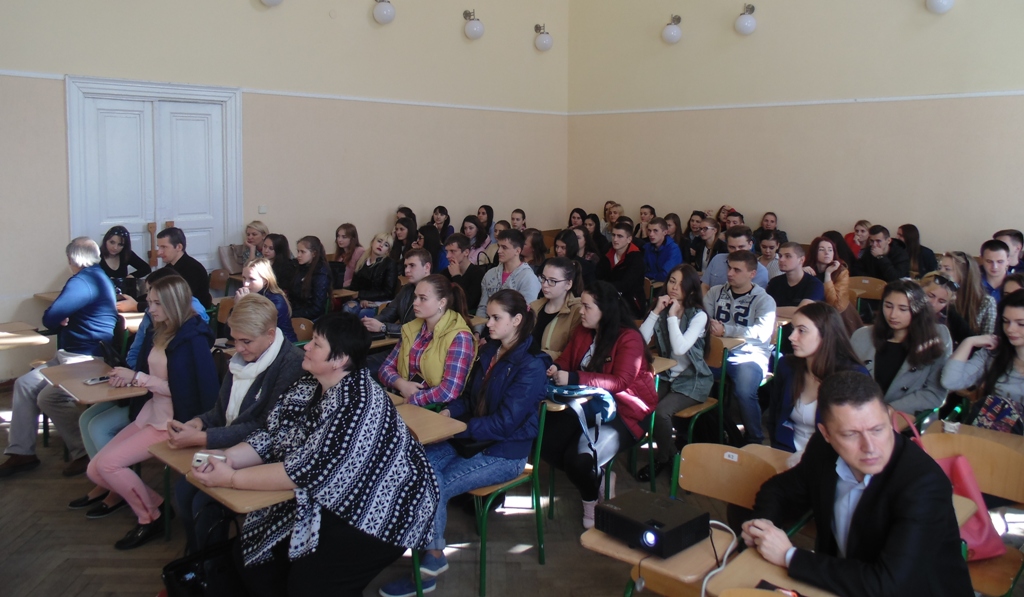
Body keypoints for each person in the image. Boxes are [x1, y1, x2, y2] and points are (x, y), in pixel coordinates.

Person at [191, 312, 439, 596]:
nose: (306, 346)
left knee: (309, 586)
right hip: (334, 495)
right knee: (252, 556)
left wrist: (231, 478)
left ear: (339, 359)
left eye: (317, 344)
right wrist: (228, 458)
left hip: (388, 508)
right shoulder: (310, 384)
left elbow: (303, 471)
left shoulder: (357, 404)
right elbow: (272, 434)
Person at [742, 371, 973, 597]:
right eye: (850, 434)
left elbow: (888, 586)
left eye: (877, 429)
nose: (870, 447)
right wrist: (764, 528)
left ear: (889, 418)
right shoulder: (823, 450)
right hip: (841, 584)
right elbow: (779, 490)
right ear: (826, 434)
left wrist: (788, 556)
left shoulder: (924, 484)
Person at [378, 289, 547, 597]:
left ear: (517, 320)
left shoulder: (530, 365)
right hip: (470, 439)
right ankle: (413, 541)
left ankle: (432, 559)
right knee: (415, 466)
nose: (488, 324)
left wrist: (459, 428)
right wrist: (448, 412)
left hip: (505, 452)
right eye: (489, 317)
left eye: (496, 318)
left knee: (436, 485)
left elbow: (506, 423)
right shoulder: (489, 352)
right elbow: (468, 398)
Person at [68, 266, 212, 517]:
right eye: (150, 302)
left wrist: (138, 378)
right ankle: (156, 505)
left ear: (173, 303)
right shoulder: (161, 330)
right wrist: (129, 378)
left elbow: (184, 392)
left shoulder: (192, 339)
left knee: (108, 466)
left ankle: (150, 517)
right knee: (95, 469)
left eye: (157, 303)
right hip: (151, 413)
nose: (150, 308)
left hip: (170, 422)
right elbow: (148, 372)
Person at [168, 293, 305, 554]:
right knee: (184, 489)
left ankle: (210, 564)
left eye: (246, 341)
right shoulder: (242, 359)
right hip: (229, 444)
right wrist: (198, 423)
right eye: (235, 340)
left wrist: (204, 438)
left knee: (204, 503)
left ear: (270, 334)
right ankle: (196, 557)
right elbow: (222, 410)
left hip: (265, 454)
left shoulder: (292, 364)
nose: (239, 348)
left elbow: (266, 427)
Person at [0, 238, 118, 478]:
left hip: (85, 358)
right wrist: (61, 318)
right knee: (24, 384)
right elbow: (56, 317)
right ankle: (22, 452)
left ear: (73, 259)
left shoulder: (83, 281)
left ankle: (85, 451)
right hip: (68, 355)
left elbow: (51, 317)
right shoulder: (95, 276)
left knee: (49, 397)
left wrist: (61, 319)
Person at [545, 281, 658, 529]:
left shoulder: (629, 338)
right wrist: (557, 367)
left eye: (587, 307)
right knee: (542, 439)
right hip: (589, 406)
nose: (581, 311)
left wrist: (573, 377)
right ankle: (600, 477)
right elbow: (567, 359)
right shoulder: (584, 330)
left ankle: (591, 500)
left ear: (605, 310)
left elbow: (620, 381)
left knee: (579, 459)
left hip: (627, 413)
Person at [637, 264, 711, 481]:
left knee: (661, 413)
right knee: (643, 404)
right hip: (667, 376)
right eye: (671, 281)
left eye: (681, 284)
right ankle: (673, 456)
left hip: (693, 379)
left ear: (691, 288)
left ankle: (662, 458)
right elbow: (639, 342)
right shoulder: (662, 307)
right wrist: (655, 312)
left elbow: (680, 348)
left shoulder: (698, 315)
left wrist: (671, 317)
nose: (674, 287)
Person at [766, 303, 866, 459]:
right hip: (787, 453)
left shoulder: (852, 377)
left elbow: (858, 434)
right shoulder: (787, 366)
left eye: (802, 330)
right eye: (793, 329)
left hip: (832, 459)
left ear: (826, 335)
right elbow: (774, 417)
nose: (791, 337)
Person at [704, 251, 777, 445]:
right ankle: (711, 431)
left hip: (749, 355)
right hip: (717, 353)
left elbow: (762, 332)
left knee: (744, 392)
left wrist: (726, 330)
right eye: (729, 267)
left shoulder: (764, 300)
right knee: (693, 378)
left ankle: (754, 439)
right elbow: (703, 318)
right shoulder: (715, 292)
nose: (730, 273)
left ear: (752, 274)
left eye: (737, 270)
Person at [850, 279, 951, 415]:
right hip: (860, 412)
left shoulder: (937, 337)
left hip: (906, 416)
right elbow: (846, 380)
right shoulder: (861, 336)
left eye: (903, 309)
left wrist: (890, 409)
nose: (893, 315)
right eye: (888, 306)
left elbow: (934, 393)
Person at [380, 275, 475, 407]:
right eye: (415, 297)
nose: (415, 303)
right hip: (403, 398)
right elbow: (385, 368)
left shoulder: (459, 337)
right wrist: (402, 384)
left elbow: (449, 391)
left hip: (432, 409)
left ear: (441, 303)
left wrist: (412, 399)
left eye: (423, 298)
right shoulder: (411, 328)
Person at [942, 289, 1024, 418]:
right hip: (994, 428)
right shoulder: (993, 353)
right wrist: (969, 342)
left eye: (1021, 324)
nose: (1010, 329)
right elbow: (950, 381)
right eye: (1006, 321)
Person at [119, 227, 212, 312]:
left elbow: (175, 303)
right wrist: (130, 301)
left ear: (179, 247)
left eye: (164, 247)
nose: (159, 252)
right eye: (159, 247)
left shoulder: (194, 269)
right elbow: (154, 293)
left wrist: (136, 306)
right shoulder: (169, 268)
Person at [475, 229, 542, 322]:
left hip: (514, 328)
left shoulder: (528, 278)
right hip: (489, 325)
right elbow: (483, 307)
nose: (499, 251)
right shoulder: (490, 274)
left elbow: (526, 314)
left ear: (517, 251)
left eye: (504, 247)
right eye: (499, 246)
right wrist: (478, 329)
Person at [805, 236, 860, 334]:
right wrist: (799, 272)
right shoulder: (806, 269)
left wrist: (828, 275)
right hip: (813, 314)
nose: (827, 253)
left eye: (830, 250)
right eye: (822, 249)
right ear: (814, 252)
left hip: (838, 317)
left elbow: (836, 305)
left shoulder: (841, 272)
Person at [531, 257, 584, 361]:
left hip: (552, 367)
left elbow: (571, 354)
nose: (545, 285)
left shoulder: (577, 312)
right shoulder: (534, 306)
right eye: (543, 278)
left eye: (552, 281)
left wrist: (539, 355)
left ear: (568, 284)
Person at [237, 258, 297, 343]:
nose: (245, 284)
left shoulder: (276, 300)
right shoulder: (248, 296)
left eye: (252, 279)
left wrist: (241, 306)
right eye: (244, 278)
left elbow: (254, 331)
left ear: (265, 280)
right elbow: (230, 332)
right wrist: (238, 307)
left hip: (283, 346)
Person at [940, 250, 997, 336]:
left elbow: (987, 339)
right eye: (939, 268)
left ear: (964, 273)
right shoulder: (937, 296)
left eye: (947, 269)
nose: (941, 272)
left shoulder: (986, 302)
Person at [597, 222, 647, 318]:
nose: (615, 239)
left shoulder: (636, 258)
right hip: (608, 297)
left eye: (620, 236)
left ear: (629, 239)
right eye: (613, 235)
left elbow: (626, 284)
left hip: (631, 303)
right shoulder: (607, 252)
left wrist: (604, 288)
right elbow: (598, 275)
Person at [700, 225, 770, 293]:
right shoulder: (717, 259)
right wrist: (707, 300)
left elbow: (753, 297)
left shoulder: (760, 271)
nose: (737, 251)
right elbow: (704, 286)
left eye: (741, 247)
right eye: (732, 247)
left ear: (750, 245)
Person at [345, 232, 399, 318]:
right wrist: (359, 298)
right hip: (360, 299)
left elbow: (388, 292)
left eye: (386, 245)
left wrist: (363, 296)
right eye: (379, 241)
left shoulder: (390, 264)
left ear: (387, 251)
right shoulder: (362, 261)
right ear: (372, 242)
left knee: (363, 314)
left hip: (379, 302)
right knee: (347, 309)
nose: (381, 245)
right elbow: (354, 287)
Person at [766, 243, 824, 318]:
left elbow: (802, 312)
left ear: (801, 260)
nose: (781, 259)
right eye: (780, 256)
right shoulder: (774, 282)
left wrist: (769, 310)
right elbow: (763, 306)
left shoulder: (815, 284)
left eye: (788, 256)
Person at [921, 271, 973, 347]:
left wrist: (970, 342)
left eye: (941, 301)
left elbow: (972, 340)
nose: (933, 304)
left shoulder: (949, 315)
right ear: (919, 289)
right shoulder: (906, 309)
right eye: (930, 296)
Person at [99, 225, 151, 295]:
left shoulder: (125, 254)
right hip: (103, 294)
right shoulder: (96, 256)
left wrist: (132, 276)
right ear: (105, 241)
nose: (115, 247)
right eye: (112, 242)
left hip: (123, 295)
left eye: (120, 244)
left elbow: (146, 268)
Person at [290, 235, 332, 320]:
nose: (298, 255)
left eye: (303, 252)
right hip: (298, 311)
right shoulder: (299, 267)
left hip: (312, 317)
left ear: (314, 253)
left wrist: (292, 314)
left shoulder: (321, 272)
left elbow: (317, 308)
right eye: (298, 251)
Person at [440, 234, 484, 313]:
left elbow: (467, 303)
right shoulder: (445, 272)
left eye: (453, 251)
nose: (447, 256)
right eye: (447, 251)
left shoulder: (478, 273)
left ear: (466, 252)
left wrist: (456, 276)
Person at [642, 217, 683, 284]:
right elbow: (641, 269)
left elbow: (666, 275)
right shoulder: (647, 247)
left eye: (655, 231)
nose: (651, 234)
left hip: (668, 285)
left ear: (665, 232)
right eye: (649, 230)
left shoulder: (673, 249)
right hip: (650, 283)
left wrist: (647, 275)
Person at [262, 233, 296, 298]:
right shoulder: (260, 263)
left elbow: (283, 290)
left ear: (278, 250)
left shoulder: (287, 267)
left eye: (271, 248)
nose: (266, 251)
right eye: (264, 246)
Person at [332, 223, 365, 289]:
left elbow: (360, 276)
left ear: (352, 238)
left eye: (344, 237)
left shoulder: (359, 251)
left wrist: (342, 285)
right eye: (338, 236)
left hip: (352, 289)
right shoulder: (340, 255)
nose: (339, 240)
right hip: (340, 288)